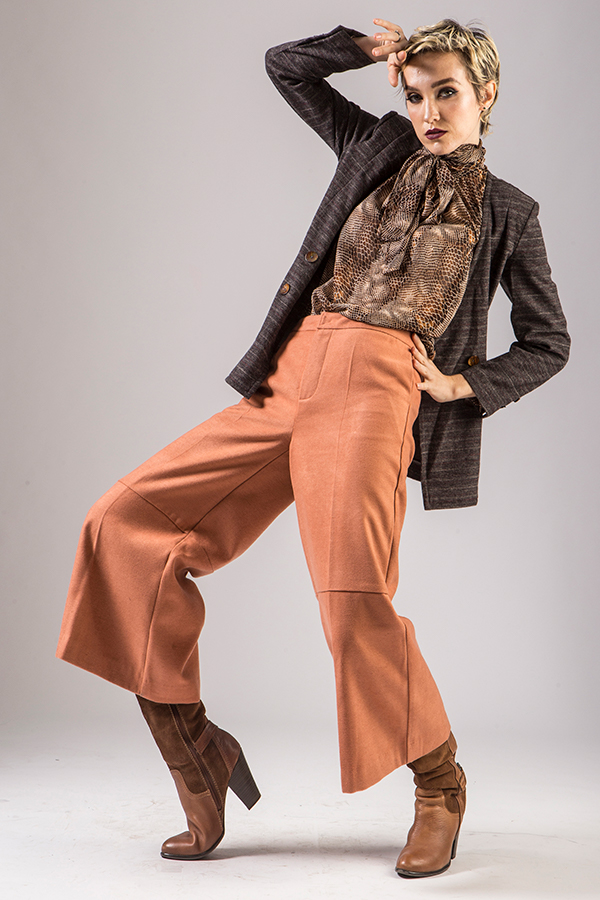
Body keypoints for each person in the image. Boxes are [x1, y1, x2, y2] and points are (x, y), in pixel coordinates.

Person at [56, 17, 570, 879]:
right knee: (123, 526)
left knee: (351, 599)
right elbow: (285, 68)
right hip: (293, 371)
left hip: (378, 384)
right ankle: (197, 754)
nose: (429, 111)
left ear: (486, 94)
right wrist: (364, 51)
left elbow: (549, 341)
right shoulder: (374, 146)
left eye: (447, 92)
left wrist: (463, 386)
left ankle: (439, 782)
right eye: (416, 94)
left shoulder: (510, 211)